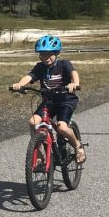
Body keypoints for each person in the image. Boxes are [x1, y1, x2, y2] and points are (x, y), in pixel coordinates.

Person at [10, 34, 86, 163]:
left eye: (49, 54)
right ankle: (38, 151)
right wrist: (20, 84)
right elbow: (29, 76)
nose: (46, 57)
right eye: (43, 54)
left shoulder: (64, 64)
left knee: (62, 128)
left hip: (65, 100)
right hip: (49, 101)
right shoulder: (40, 67)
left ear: (57, 53)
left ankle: (78, 146)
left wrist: (75, 83)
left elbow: (74, 73)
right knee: (33, 122)